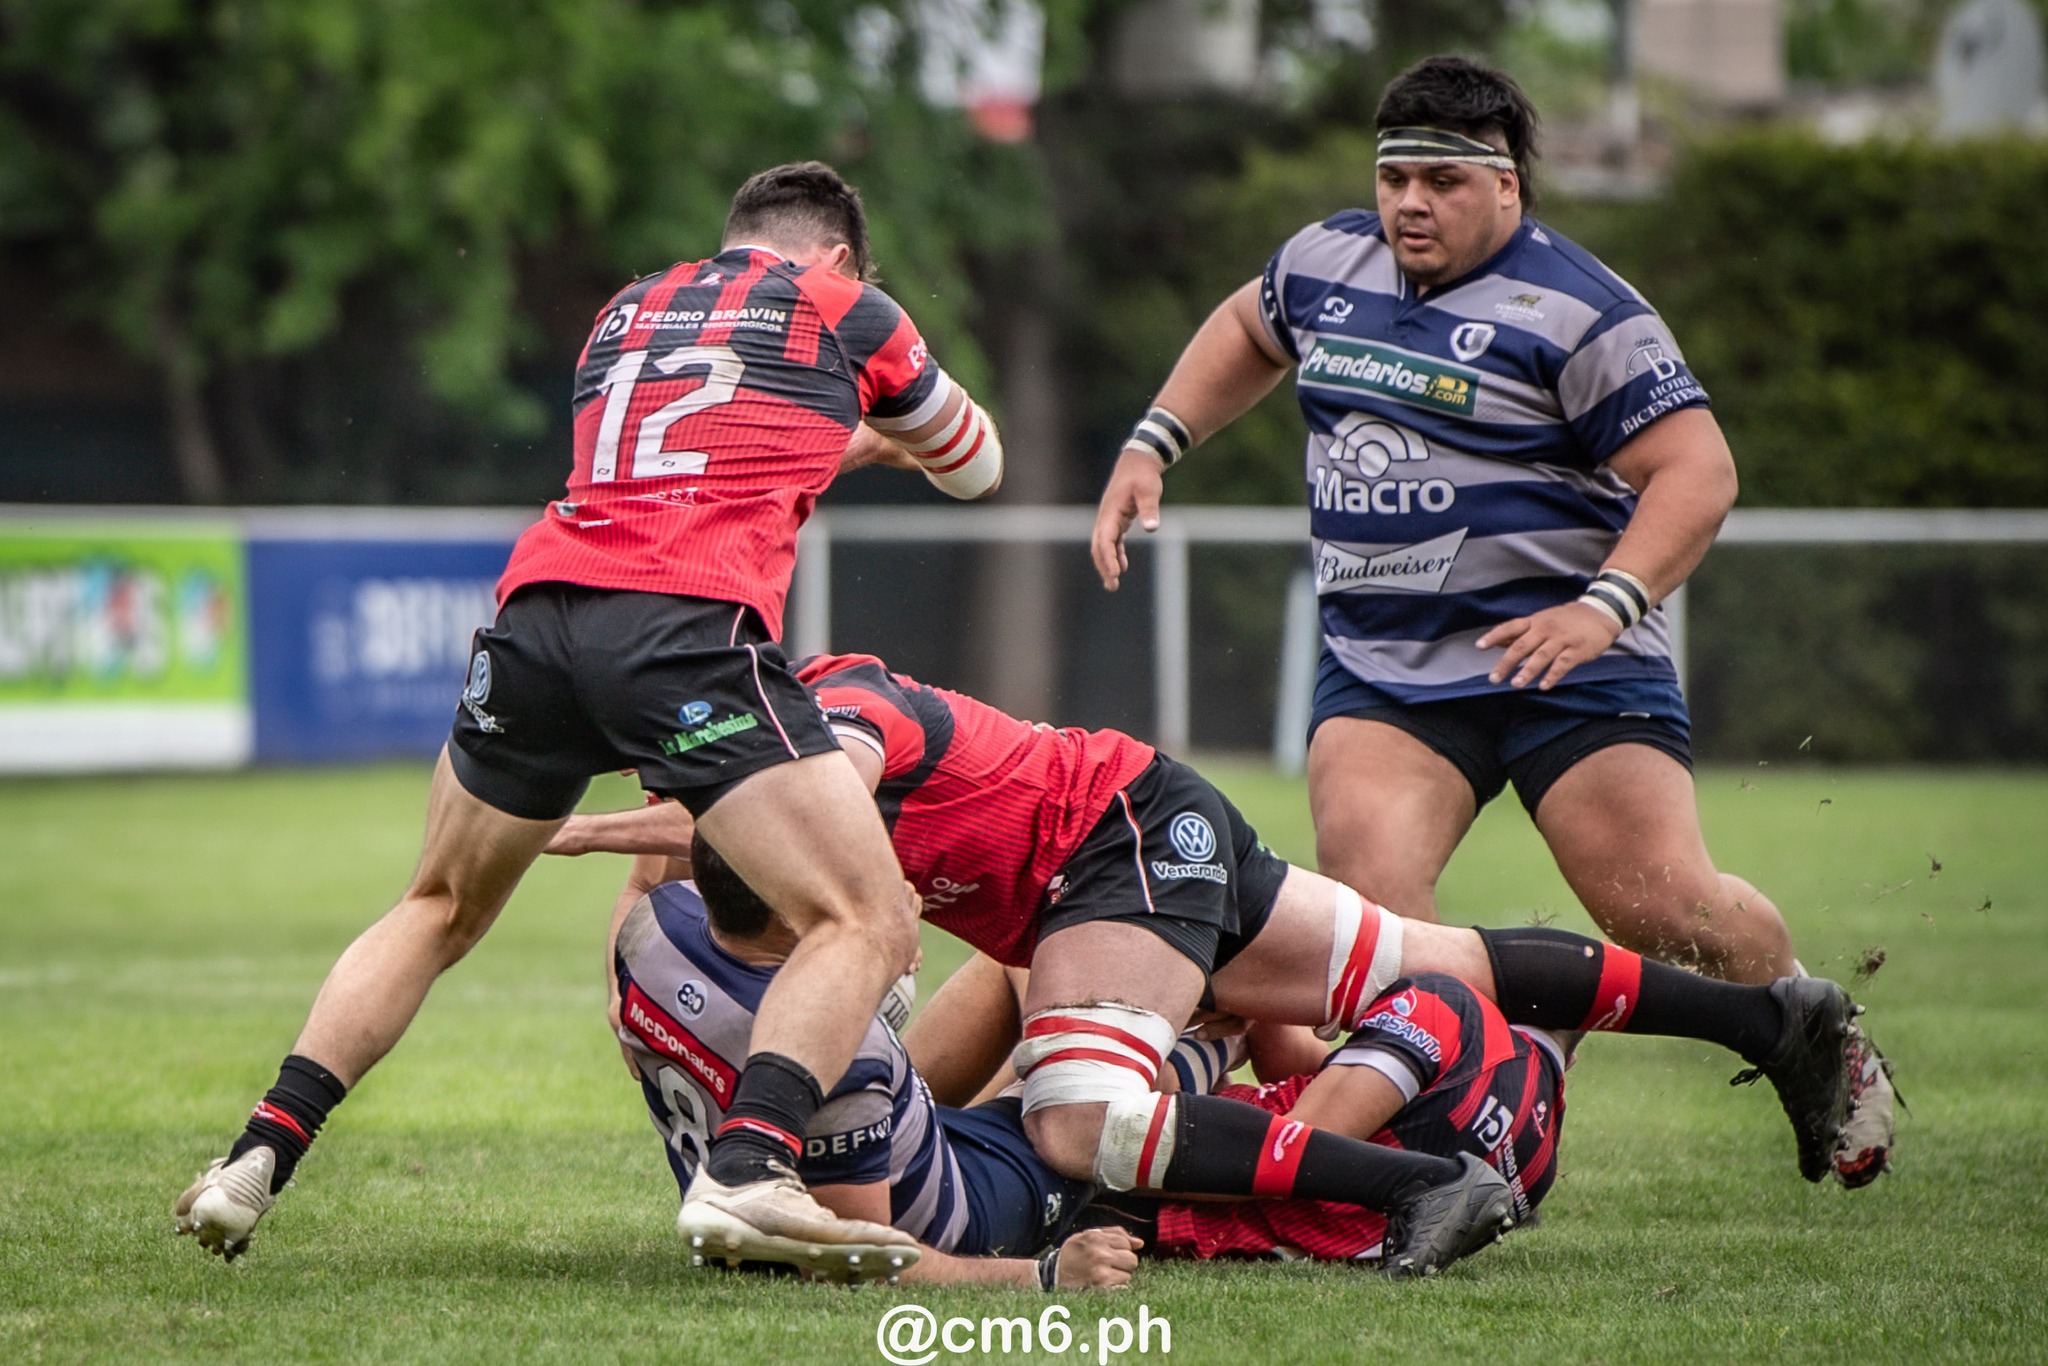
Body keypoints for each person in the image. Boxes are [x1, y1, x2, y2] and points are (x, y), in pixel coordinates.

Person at [174, 162, 1008, 1272]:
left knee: (437, 904)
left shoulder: (628, 308)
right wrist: (887, 426)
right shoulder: (847, 309)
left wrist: (839, 439)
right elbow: (975, 465)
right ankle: (751, 1170)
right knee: (866, 917)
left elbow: (694, 445)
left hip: (537, 619)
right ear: (839, 256)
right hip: (682, 628)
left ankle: (255, 1155)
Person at [1087, 56, 1892, 1178]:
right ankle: (1460, 1123)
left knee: (1660, 906)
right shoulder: (1325, 262)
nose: (1410, 203)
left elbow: (1697, 472)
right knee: (1371, 920)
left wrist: (1603, 606)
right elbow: (1244, 327)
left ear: (1507, 185)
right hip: (1387, 667)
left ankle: (1815, 1032)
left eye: (1442, 183)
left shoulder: (1580, 308)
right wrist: (1152, 442)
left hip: (1566, 660)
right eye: (1396, 177)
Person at [552, 651, 1876, 1279]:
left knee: (1078, 1122)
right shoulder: (778, 740)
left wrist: (607, 824)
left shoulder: (843, 716)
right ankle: (1773, 1019)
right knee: (1434, 956)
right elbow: (758, 812)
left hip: (1109, 855)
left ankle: (1427, 1183)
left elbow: (815, 807)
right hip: (1144, 816)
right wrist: (629, 812)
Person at [609, 845, 1139, 1289]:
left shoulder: (655, 922)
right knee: (1100, 1091)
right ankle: (1210, 1047)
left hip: (891, 1135)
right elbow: (857, 1258)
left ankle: (1034, 1087)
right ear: (794, 902)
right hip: (960, 1204)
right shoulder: (845, 1057)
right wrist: (1042, 1276)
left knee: (1017, 963)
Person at [906, 953, 1571, 1266]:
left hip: (1146, 1161)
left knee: (1029, 955)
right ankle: (939, 1114)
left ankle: (925, 1107)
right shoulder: (1534, 1144)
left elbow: (1294, 1147)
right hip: (1161, 1155)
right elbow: (1289, 1066)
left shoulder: (1442, 1006)